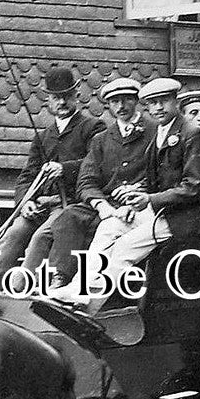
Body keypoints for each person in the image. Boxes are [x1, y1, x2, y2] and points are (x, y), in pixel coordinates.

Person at [52, 77, 200, 312]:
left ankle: (90, 307)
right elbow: (153, 178)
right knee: (109, 227)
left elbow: (194, 187)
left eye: (164, 101)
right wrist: (134, 200)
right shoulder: (161, 132)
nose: (158, 108)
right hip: (159, 211)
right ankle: (78, 288)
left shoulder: (192, 133)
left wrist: (149, 199)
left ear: (175, 102)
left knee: (125, 247)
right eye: (153, 103)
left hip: (182, 217)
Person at [0, 67, 105, 286]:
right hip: (42, 204)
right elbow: (27, 176)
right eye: (56, 98)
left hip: (71, 204)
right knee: (14, 232)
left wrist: (65, 168)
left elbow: (98, 164)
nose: (62, 103)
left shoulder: (92, 128)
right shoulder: (43, 136)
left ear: (77, 96)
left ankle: (19, 289)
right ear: (49, 101)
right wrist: (25, 202)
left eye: (66, 97)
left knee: (40, 237)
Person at [46, 77, 152, 288]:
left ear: (136, 100)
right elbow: (86, 181)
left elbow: (164, 173)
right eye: (114, 101)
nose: (121, 106)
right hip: (106, 205)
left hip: (142, 203)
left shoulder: (154, 131)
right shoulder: (102, 139)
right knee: (69, 217)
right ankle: (60, 278)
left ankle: (93, 287)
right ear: (109, 105)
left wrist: (138, 193)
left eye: (126, 100)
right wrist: (101, 205)